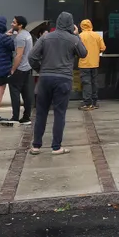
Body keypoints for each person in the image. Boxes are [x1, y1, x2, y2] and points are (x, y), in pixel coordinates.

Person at [30, 11, 86, 155]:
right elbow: (83, 53)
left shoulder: (45, 38)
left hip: (45, 78)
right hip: (63, 79)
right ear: (71, 23)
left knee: (41, 112)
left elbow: (32, 57)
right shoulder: (73, 39)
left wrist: (41, 69)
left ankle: (36, 146)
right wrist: (76, 34)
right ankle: (56, 147)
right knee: (59, 114)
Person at [8, 16, 35, 126]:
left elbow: (19, 55)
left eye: (14, 23)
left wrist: (13, 69)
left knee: (14, 92)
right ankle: (26, 117)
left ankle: (15, 117)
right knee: (26, 93)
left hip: (19, 68)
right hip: (27, 68)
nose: (11, 24)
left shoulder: (20, 38)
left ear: (20, 25)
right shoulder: (27, 35)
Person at [77, 19, 107, 111]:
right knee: (94, 82)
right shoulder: (97, 36)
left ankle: (87, 103)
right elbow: (103, 48)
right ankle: (94, 102)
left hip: (84, 63)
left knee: (86, 83)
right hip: (95, 63)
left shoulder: (79, 36)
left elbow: (75, 49)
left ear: (81, 26)